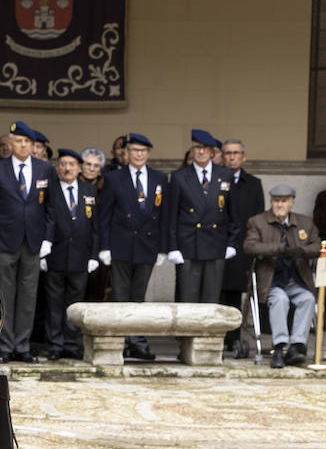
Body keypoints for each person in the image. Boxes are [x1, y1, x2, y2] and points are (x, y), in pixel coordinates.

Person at [0, 120, 52, 363]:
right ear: (10, 143)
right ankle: (6, 347)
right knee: (5, 295)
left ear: (33, 145)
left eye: (27, 142)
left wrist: (47, 239)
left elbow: (50, 208)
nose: (23, 145)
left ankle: (23, 346)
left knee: (28, 297)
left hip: (33, 241)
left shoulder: (44, 170)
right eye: (18, 141)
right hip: (4, 241)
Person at [96, 132, 167, 360]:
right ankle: (119, 340)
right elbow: (104, 214)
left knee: (139, 296)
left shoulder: (159, 178)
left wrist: (163, 248)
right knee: (120, 295)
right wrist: (104, 246)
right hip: (121, 244)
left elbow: (163, 215)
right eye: (134, 151)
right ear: (126, 154)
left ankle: (137, 342)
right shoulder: (115, 178)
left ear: (148, 153)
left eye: (143, 151)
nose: (138, 155)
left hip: (147, 245)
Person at [245, 185, 320, 368]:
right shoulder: (258, 222)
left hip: (297, 279)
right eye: (276, 201)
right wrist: (278, 249)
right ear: (271, 202)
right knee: (280, 299)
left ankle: (296, 346)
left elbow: (317, 246)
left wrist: (301, 251)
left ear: (292, 203)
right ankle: (279, 347)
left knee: (308, 299)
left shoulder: (306, 223)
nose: (280, 204)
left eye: (284, 201)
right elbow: (250, 246)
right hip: (271, 280)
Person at [165, 129, 235, 305]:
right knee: (188, 298)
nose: (201, 152)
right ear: (191, 150)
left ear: (212, 151)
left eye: (205, 148)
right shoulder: (179, 176)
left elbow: (232, 213)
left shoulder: (225, 175)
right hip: (189, 245)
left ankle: (208, 334)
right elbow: (171, 215)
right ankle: (187, 334)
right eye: (197, 147)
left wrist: (232, 243)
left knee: (211, 299)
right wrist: (173, 247)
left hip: (216, 243)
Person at [43, 148, 99, 360]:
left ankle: (70, 343)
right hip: (56, 254)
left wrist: (94, 255)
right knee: (54, 303)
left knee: (74, 303)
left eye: (72, 165)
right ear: (57, 168)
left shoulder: (89, 191)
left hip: (80, 255)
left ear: (79, 168)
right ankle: (55, 344)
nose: (67, 168)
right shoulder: (51, 189)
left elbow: (95, 225)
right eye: (63, 164)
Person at [220, 139, 264, 358]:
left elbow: (258, 217)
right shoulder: (215, 179)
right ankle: (216, 336)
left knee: (235, 293)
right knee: (216, 292)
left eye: (236, 153)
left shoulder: (253, 183)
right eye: (227, 153)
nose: (231, 157)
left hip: (241, 247)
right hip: (217, 245)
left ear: (243, 157)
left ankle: (234, 338)